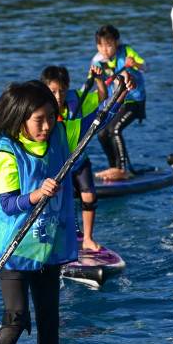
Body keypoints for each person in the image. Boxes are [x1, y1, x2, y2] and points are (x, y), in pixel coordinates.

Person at [0, 75, 135, 344]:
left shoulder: (62, 134)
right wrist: (37, 194)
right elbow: (8, 204)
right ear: (20, 120)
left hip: (48, 249)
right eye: (39, 120)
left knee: (49, 321)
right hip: (15, 251)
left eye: (51, 117)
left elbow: (99, 120)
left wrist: (121, 91)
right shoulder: (5, 153)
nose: (47, 126)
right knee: (17, 318)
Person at [40, 65, 106, 251]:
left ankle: (88, 238)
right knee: (59, 202)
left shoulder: (77, 98)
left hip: (79, 159)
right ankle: (56, 238)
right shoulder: (41, 107)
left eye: (62, 90)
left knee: (89, 196)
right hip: (57, 164)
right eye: (53, 91)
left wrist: (99, 79)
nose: (58, 96)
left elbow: (103, 98)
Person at [90, 24, 148, 181]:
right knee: (102, 133)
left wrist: (135, 64)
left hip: (134, 101)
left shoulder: (127, 51)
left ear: (117, 43)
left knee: (115, 129)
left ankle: (122, 170)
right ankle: (114, 168)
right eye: (100, 45)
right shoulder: (97, 61)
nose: (104, 50)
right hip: (115, 103)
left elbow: (146, 67)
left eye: (108, 45)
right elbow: (92, 84)